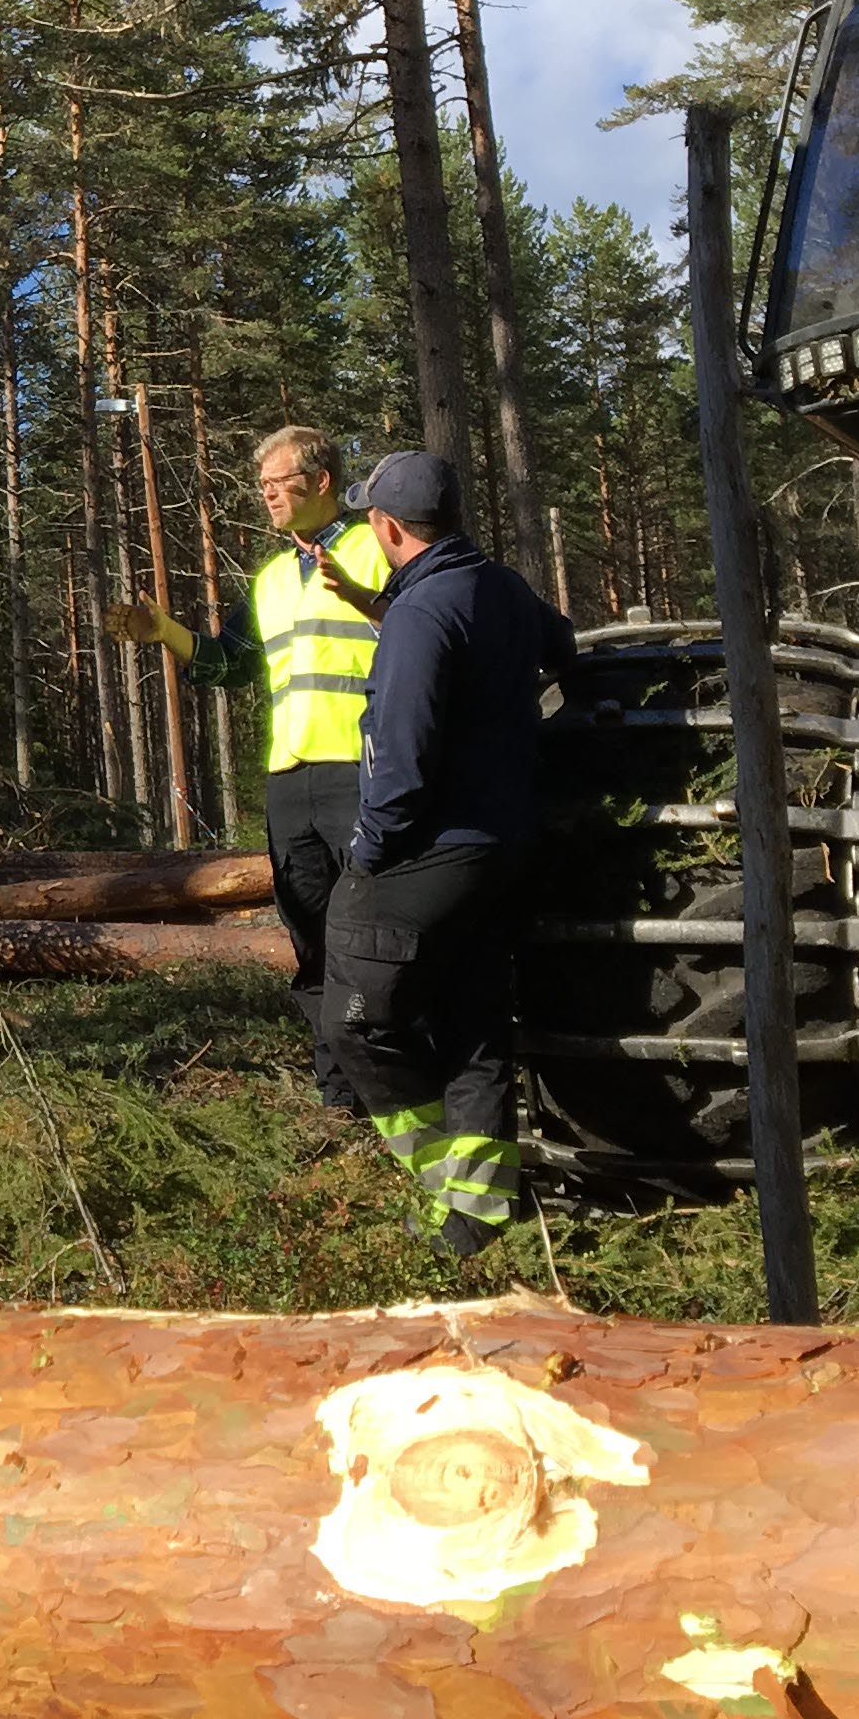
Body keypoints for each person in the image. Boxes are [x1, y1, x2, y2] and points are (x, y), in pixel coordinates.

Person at [323, 449, 574, 1259]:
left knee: (356, 1023)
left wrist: (368, 851)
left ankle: (440, 1183)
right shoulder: (501, 590)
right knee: (473, 1030)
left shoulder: (422, 613)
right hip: (507, 849)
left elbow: (400, 753)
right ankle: (477, 1222)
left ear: (388, 528)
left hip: (430, 852)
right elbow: (562, 646)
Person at [191, 427, 393, 1109]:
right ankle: (341, 1098)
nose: (268, 493)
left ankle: (399, 1086)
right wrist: (162, 632)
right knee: (312, 941)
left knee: (374, 934)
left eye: (281, 481)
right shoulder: (272, 577)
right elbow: (229, 663)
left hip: (366, 773)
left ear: (324, 480)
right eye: (263, 485)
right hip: (292, 783)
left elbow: (435, 631)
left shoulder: (380, 546)